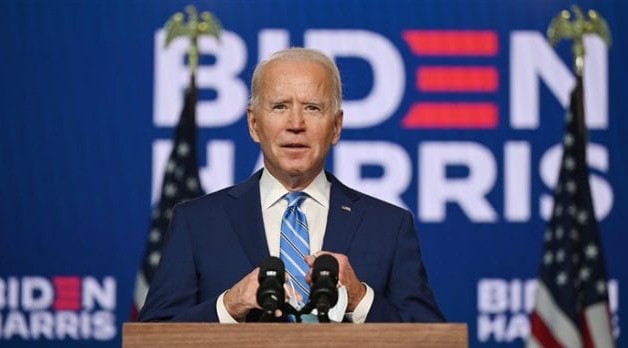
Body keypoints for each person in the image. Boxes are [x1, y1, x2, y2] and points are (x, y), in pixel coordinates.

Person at [138, 47, 445, 323]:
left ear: (336, 126)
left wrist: (360, 299)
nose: (295, 124)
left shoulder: (388, 227)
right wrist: (228, 307)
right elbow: (152, 336)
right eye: (279, 107)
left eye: (312, 107)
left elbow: (432, 340)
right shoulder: (198, 222)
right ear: (254, 124)